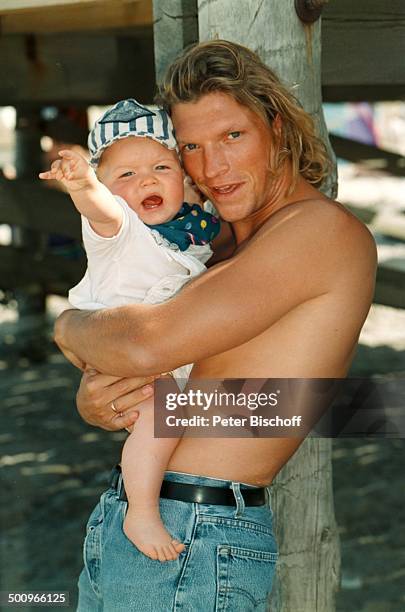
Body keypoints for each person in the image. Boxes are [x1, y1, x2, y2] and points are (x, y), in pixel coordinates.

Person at [55, 40, 377, 611]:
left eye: (233, 136)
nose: (213, 167)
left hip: (195, 539)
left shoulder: (316, 232)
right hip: (137, 519)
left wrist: (68, 326)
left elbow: (145, 342)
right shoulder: (210, 245)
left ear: (276, 127)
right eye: (192, 147)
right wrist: (102, 395)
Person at [40, 98, 220, 563]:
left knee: (169, 418)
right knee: (163, 422)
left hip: (159, 352)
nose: (147, 180)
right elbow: (102, 211)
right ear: (109, 186)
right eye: (126, 176)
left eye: (161, 167)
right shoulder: (121, 231)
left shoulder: (186, 229)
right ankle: (140, 511)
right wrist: (84, 184)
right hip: (122, 345)